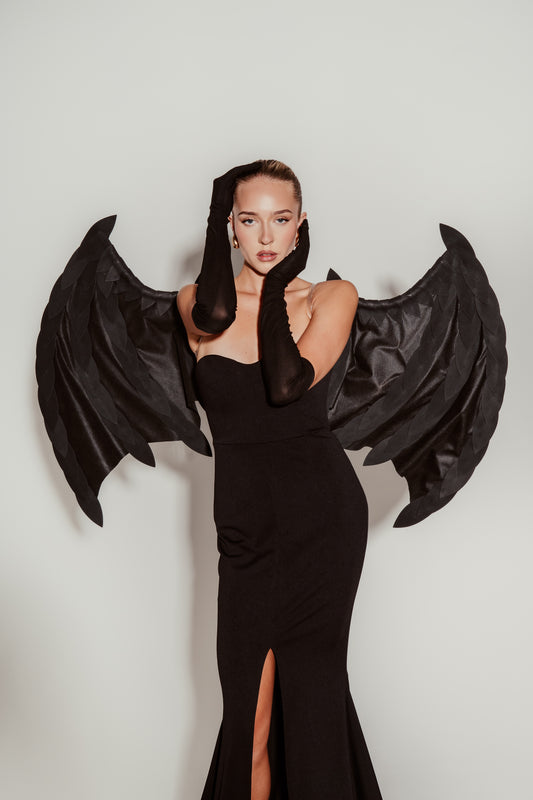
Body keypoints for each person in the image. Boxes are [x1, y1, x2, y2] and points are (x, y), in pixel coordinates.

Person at [176, 160, 383, 799]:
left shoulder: (331, 297)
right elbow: (214, 309)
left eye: (281, 219)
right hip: (243, 529)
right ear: (229, 226)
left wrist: (277, 286)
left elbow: (288, 383)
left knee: (313, 702)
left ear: (301, 227)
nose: (266, 237)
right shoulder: (195, 305)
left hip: (321, 521)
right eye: (248, 220)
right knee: (249, 714)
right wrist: (215, 221)